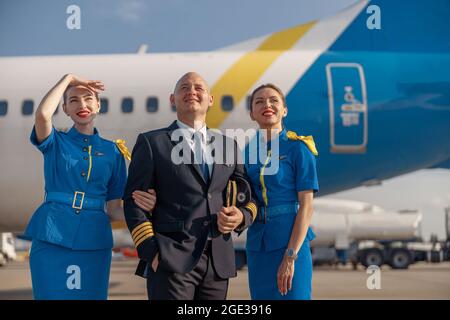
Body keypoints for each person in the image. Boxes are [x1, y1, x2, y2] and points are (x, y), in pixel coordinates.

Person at [123, 72, 257, 300]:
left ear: (210, 100)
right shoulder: (152, 142)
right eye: (184, 87)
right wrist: (152, 253)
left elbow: (248, 198)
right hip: (170, 260)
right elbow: (133, 203)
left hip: (217, 263)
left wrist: (241, 217)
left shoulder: (229, 145)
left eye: (198, 88)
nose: (192, 91)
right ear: (172, 99)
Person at [24, 74, 134, 299]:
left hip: (94, 241)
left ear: (98, 105)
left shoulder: (114, 152)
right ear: (64, 108)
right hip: (52, 235)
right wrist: (69, 78)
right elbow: (43, 114)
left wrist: (152, 212)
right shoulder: (55, 142)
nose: (81, 105)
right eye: (73, 100)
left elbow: (114, 210)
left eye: (88, 99)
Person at [244, 83, 319, 300]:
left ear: (284, 110)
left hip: (290, 242)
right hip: (258, 244)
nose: (267, 105)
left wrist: (290, 257)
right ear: (252, 114)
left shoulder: (299, 149)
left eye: (273, 100)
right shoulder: (248, 151)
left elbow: (307, 207)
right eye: (259, 102)